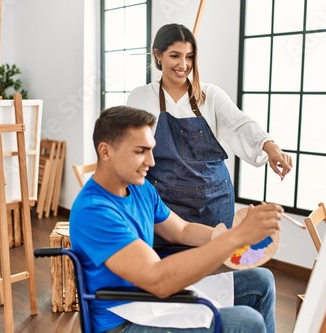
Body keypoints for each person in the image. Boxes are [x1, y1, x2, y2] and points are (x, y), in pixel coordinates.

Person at [69, 105, 283, 333]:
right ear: (105, 152)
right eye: (140, 151)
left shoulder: (141, 189)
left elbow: (181, 230)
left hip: (152, 301)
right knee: (245, 321)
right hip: (122, 320)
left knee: (261, 281)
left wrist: (234, 235)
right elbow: (158, 280)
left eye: (151, 150)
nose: (151, 162)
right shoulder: (94, 211)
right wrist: (235, 238)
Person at [126, 23, 293, 237]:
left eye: (190, 56)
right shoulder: (140, 96)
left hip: (213, 201)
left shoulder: (210, 94)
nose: (183, 64)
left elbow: (239, 122)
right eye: (175, 56)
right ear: (158, 55)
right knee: (169, 268)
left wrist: (270, 147)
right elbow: (130, 146)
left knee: (214, 266)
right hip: (164, 206)